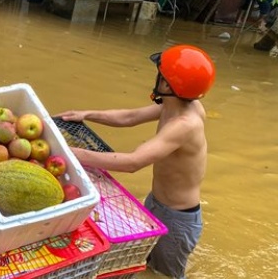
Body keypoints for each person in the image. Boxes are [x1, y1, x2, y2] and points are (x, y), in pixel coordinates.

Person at [56, 45, 216, 279]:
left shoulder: (184, 124)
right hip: (156, 203)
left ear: (168, 85)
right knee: (143, 265)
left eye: (161, 74)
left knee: (164, 275)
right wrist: (87, 114)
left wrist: (70, 153)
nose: (157, 76)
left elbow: (133, 162)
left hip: (178, 218)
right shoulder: (173, 105)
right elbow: (130, 117)